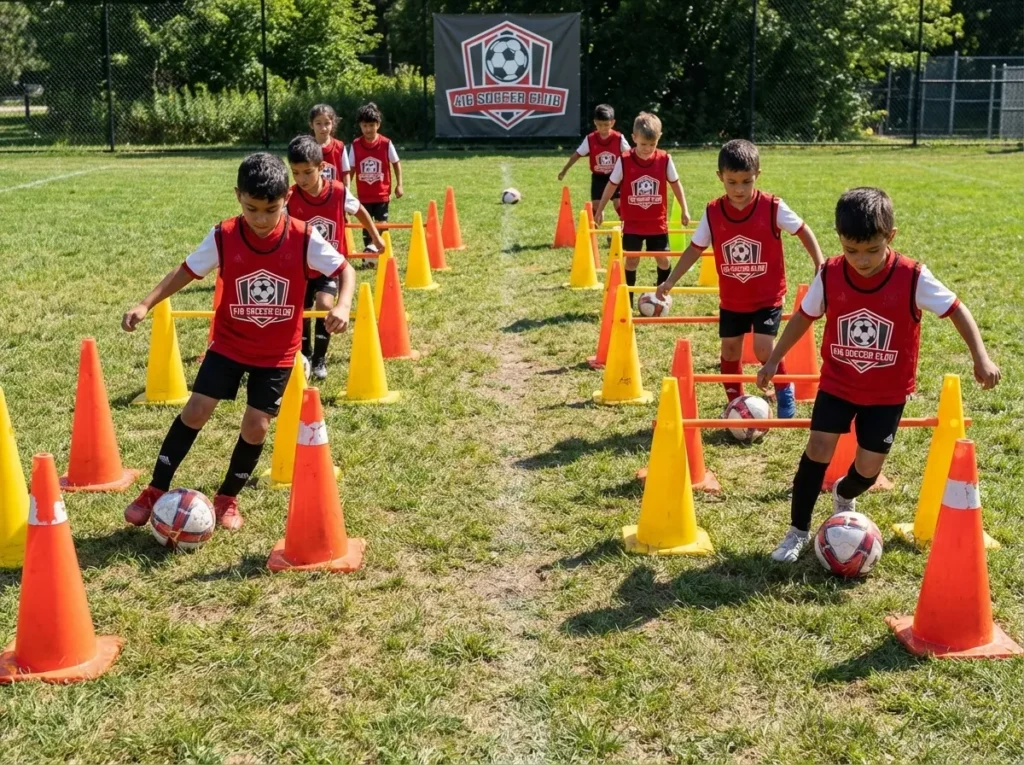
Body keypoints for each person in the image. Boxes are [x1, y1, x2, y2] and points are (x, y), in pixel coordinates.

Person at [756, 187, 1000, 563]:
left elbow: (956, 309)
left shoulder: (912, 276)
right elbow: (804, 316)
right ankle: (797, 531)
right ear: (840, 239)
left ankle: (845, 492)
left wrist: (980, 357)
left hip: (886, 393)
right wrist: (774, 359)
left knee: (869, 467)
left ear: (891, 237)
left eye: (872, 250)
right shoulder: (831, 273)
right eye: (851, 251)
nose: (862, 260)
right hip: (838, 383)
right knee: (818, 448)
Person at [120, 153, 355, 530]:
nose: (261, 219)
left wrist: (343, 305)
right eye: (252, 209)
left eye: (271, 210)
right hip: (229, 344)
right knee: (196, 409)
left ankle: (227, 497)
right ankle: (154, 490)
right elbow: (186, 271)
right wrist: (145, 303)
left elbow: (345, 270)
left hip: (276, 352)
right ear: (237, 197)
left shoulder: (303, 236)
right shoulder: (224, 236)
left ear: (286, 200)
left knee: (256, 426)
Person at [656, 139, 824, 417]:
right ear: (720, 177)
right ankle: (736, 401)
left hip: (767, 295)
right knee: (731, 350)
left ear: (758, 175)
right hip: (733, 299)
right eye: (731, 182)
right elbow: (694, 249)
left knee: (762, 350)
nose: (739, 189)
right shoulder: (712, 212)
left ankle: (784, 390)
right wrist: (671, 280)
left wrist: (819, 263)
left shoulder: (772, 206)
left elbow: (803, 230)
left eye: (746, 181)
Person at [287, 135, 384, 380]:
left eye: (307, 172)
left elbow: (360, 210)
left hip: (330, 267)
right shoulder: (290, 196)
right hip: (299, 267)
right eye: (295, 173)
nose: (301, 179)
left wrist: (375, 236)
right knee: (301, 310)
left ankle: (319, 358)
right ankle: (305, 355)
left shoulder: (339, 192)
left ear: (322, 168)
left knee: (324, 305)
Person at [594, 112, 689, 305]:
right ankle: (627, 300)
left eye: (652, 145)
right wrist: (600, 209)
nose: (647, 149)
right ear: (634, 138)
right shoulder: (624, 160)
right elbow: (611, 185)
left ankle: (661, 296)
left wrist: (684, 209)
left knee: (663, 260)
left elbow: (676, 185)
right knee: (631, 261)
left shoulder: (664, 159)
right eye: (643, 144)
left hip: (657, 222)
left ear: (659, 138)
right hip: (632, 223)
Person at [348, 102, 402, 259]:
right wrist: (347, 190)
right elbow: (350, 169)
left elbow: (396, 163)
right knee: (366, 225)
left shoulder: (386, 143)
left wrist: (399, 185)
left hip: (381, 194)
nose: (368, 130)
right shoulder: (356, 145)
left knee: (381, 224)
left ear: (378, 125)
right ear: (360, 126)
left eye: (371, 125)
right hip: (364, 196)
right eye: (365, 126)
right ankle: (369, 254)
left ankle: (383, 252)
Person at [557, 103, 630, 215]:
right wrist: (564, 170)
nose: (603, 128)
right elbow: (577, 154)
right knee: (596, 206)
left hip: (616, 176)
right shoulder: (590, 139)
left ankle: (627, 226)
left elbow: (629, 155)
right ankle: (594, 230)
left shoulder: (619, 138)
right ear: (595, 122)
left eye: (606, 125)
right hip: (598, 178)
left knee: (618, 203)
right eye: (600, 125)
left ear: (612, 122)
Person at [308, 103, 350, 186]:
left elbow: (346, 172)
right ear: (311, 124)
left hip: (335, 195)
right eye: (318, 123)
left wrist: (346, 193)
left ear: (333, 124)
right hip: (315, 196)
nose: (323, 128)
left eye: (327, 123)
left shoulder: (340, 146)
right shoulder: (307, 147)